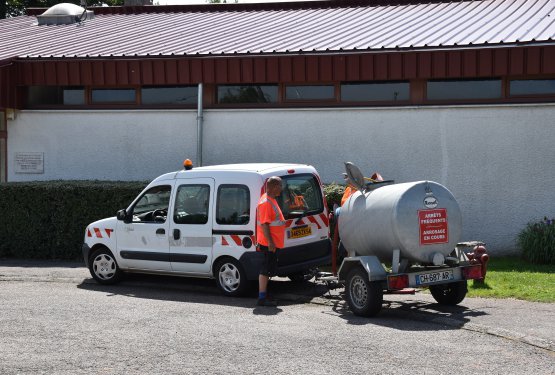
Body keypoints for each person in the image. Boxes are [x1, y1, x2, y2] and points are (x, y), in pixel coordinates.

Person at [256, 176, 285, 307]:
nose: (281, 188)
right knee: (265, 270)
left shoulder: (270, 199)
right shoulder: (266, 202)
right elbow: (265, 225)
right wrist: (271, 243)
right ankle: (262, 297)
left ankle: (264, 295)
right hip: (268, 243)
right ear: (273, 187)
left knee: (268, 269)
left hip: (272, 242)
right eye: (280, 186)